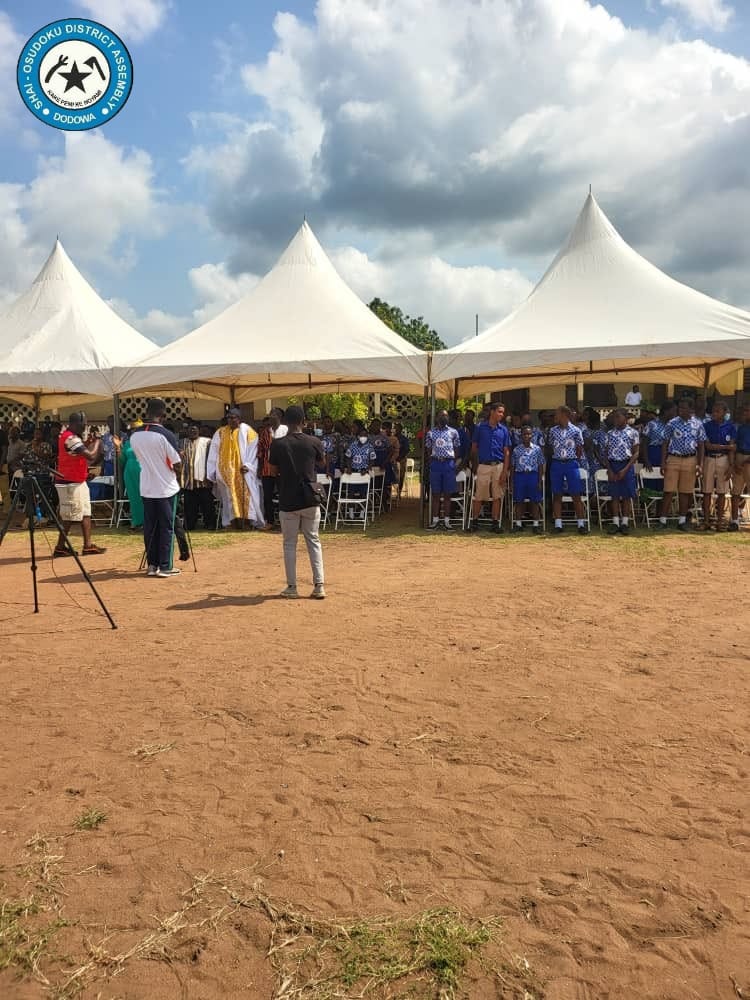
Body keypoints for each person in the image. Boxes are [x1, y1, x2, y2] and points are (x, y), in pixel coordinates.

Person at [268, 405, 326, 599]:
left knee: (289, 544)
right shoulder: (314, 441)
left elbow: (273, 470)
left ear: (285, 422)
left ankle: (292, 587)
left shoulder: (278, 444)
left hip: (288, 499)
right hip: (310, 498)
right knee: (313, 541)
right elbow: (321, 462)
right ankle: (319, 585)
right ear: (304, 422)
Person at [130, 399, 183, 577]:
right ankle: (166, 566)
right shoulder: (166, 435)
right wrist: (179, 475)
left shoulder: (134, 435)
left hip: (146, 487)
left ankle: (152, 565)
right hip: (166, 487)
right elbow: (177, 463)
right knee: (167, 526)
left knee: (150, 527)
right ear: (163, 414)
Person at [53, 412, 106, 557]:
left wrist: (88, 443)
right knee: (70, 515)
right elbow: (90, 455)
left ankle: (87, 546)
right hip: (69, 483)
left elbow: (80, 454)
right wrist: (97, 442)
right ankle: (60, 547)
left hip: (76, 481)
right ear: (77, 423)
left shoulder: (70, 437)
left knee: (85, 512)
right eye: (84, 425)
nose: (85, 428)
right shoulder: (70, 438)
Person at [207, 408, 264, 529]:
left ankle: (247, 522)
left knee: (245, 496)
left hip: (243, 472)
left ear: (239, 418)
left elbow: (253, 450)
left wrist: (248, 465)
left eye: (234, 417)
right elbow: (214, 452)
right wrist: (212, 471)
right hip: (225, 472)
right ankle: (232, 523)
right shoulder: (220, 432)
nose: (231, 420)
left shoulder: (248, 431)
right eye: (229, 418)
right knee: (229, 498)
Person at [658, 398, 706, 532]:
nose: (681, 410)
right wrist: (663, 462)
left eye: (684, 408)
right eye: (680, 408)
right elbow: (665, 443)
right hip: (673, 458)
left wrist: (700, 464)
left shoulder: (698, 424)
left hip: (690, 460)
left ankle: (682, 520)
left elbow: (701, 445)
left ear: (691, 409)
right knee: (668, 490)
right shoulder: (671, 423)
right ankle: (663, 520)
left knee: (686, 492)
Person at [469, 401, 511, 533]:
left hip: (498, 466)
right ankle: (474, 522)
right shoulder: (480, 427)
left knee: (497, 496)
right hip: (483, 466)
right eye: (499, 411)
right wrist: (476, 466)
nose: (501, 415)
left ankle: (495, 523)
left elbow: (506, 451)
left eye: (503, 412)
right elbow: (474, 448)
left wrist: (505, 471)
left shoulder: (504, 429)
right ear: (492, 412)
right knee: (479, 495)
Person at [548, 405, 588, 534]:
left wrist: (573, 459)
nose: (555, 417)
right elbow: (550, 447)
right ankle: (558, 524)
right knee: (557, 494)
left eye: (557, 414)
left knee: (576, 494)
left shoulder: (576, 430)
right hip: (557, 463)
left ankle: (581, 524)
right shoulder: (553, 430)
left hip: (571, 464)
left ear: (564, 415)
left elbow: (579, 449)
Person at [698, 400, 736, 532]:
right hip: (709, 458)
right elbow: (708, 445)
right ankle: (707, 521)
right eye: (713, 411)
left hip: (723, 459)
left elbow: (732, 448)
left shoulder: (730, 427)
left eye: (718, 411)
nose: (714, 413)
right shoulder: (706, 426)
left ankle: (720, 521)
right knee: (706, 491)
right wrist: (725, 446)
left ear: (724, 412)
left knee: (722, 492)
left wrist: (731, 466)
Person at [604, 408, 640, 535]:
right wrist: (609, 470)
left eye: (618, 417)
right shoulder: (609, 434)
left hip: (627, 465)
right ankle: (615, 522)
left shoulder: (633, 433)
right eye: (614, 417)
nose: (615, 419)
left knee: (626, 495)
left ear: (625, 418)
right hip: (613, 465)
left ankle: (624, 522)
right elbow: (606, 453)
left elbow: (636, 453)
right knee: (614, 495)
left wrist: (626, 469)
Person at [425, 411, 460, 531]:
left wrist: (452, 462)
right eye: (442, 415)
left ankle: (446, 522)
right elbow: (428, 448)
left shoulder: (453, 432)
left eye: (446, 415)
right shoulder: (430, 433)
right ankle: (435, 521)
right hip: (436, 464)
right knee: (435, 494)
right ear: (436, 418)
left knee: (447, 494)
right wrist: (432, 461)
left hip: (448, 464)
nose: (444, 417)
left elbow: (456, 448)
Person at [511, 425, 545, 534]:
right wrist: (512, 481)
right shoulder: (516, 450)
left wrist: (539, 481)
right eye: (525, 434)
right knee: (519, 501)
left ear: (532, 435)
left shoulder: (537, 449)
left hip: (533, 476)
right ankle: (518, 524)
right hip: (520, 476)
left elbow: (540, 465)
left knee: (534, 501)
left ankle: (536, 525)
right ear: (521, 436)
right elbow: (512, 466)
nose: (527, 436)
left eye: (529, 434)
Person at [181, 423, 214, 530]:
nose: (193, 432)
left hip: (203, 481)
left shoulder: (207, 442)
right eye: (190, 430)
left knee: (207, 505)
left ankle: (209, 524)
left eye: (195, 430)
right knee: (190, 506)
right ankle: (189, 525)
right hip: (188, 481)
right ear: (187, 431)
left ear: (199, 431)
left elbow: (212, 460)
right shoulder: (182, 443)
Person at [729, 403, 750, 531]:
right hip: (740, 458)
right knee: (736, 491)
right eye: (744, 411)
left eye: (748, 410)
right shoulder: (740, 428)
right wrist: (735, 462)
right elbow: (734, 445)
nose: (745, 413)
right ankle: (734, 520)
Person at [120, 421, 144, 530]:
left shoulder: (146, 442)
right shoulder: (127, 443)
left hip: (144, 470)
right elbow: (122, 460)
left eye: (136, 429)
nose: (134, 431)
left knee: (145, 496)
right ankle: (136, 521)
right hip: (129, 472)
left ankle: (147, 521)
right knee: (133, 497)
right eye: (132, 430)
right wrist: (118, 448)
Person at [641, 402, 676, 471]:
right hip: (654, 453)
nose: (675, 414)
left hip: (669, 454)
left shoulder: (673, 425)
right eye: (673, 411)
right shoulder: (651, 424)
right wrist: (646, 461)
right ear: (666, 411)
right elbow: (644, 444)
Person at [6, 426, 26, 495]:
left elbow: (21, 455)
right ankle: (11, 498)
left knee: (17, 483)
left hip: (16, 466)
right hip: (8, 465)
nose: (12, 434)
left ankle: (18, 498)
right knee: (9, 482)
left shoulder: (21, 444)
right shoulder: (9, 441)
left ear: (18, 433)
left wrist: (13, 461)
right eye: (11, 432)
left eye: (14, 432)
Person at [394, 421, 410, 495]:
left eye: (397, 428)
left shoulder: (404, 439)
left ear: (400, 429)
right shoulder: (392, 438)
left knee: (401, 476)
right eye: (395, 428)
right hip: (393, 459)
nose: (396, 430)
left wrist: (400, 458)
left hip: (401, 459)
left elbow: (407, 449)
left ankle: (399, 492)